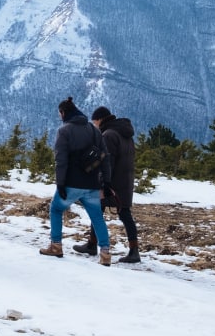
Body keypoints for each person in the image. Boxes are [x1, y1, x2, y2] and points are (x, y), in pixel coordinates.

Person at [39, 96, 112, 265]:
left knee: (56, 209)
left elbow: (61, 160)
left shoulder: (64, 131)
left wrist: (60, 183)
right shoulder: (94, 130)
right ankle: (106, 254)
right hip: (92, 183)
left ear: (64, 113)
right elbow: (105, 158)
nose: (60, 116)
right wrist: (106, 182)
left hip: (72, 183)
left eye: (60, 113)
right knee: (97, 218)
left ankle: (56, 245)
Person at [74, 106, 140, 263]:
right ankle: (130, 248)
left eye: (95, 121)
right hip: (125, 180)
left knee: (109, 212)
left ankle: (132, 251)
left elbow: (106, 162)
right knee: (120, 212)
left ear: (100, 119)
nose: (94, 125)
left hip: (112, 183)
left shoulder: (108, 135)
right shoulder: (125, 134)